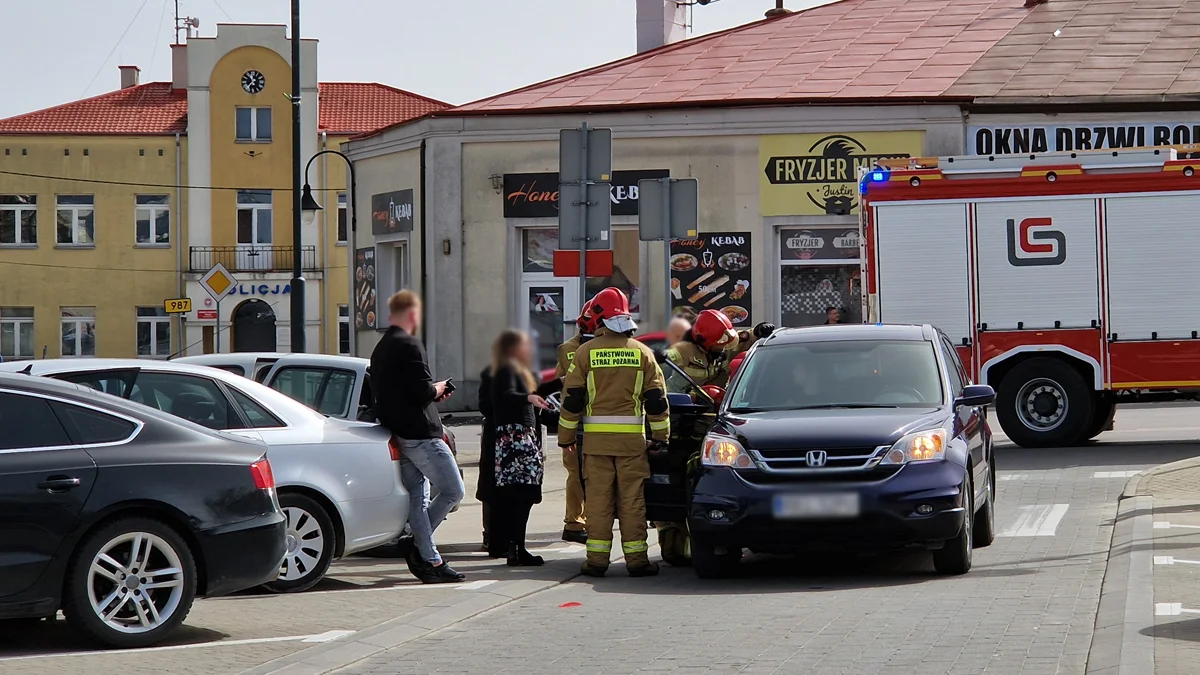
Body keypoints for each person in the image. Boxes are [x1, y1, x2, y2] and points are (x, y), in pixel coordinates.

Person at [559, 287, 670, 578]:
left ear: (598, 318)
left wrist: (566, 438)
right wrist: (661, 437)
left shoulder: (585, 353)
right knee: (632, 501)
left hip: (595, 446)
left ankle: (596, 561)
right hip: (632, 445)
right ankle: (637, 561)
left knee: (597, 501)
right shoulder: (642, 353)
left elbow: (571, 400)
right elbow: (657, 401)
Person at [370, 290, 466, 584]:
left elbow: (399, 392)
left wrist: (426, 394)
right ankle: (416, 544)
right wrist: (438, 389)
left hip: (399, 433)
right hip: (422, 434)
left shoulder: (381, 348)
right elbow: (421, 390)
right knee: (453, 491)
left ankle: (429, 558)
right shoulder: (410, 345)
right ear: (412, 315)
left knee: (419, 498)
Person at [490, 329, 552, 566]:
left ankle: (517, 547)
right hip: (513, 438)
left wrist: (560, 382)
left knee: (523, 495)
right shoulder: (506, 369)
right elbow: (508, 395)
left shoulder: (518, 369)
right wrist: (527, 398)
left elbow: (534, 392)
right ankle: (516, 548)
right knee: (521, 494)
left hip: (521, 436)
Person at [546, 300, 595, 545]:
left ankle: (582, 520)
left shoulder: (569, 349)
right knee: (578, 474)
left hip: (586, 422)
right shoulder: (573, 350)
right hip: (581, 422)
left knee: (583, 475)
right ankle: (575, 523)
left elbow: (559, 381)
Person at [666, 309, 774, 389]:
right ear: (707, 343)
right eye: (721, 344)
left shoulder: (723, 342)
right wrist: (659, 355)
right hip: (687, 409)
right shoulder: (685, 350)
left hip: (718, 407)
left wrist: (758, 331)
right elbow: (668, 357)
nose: (725, 348)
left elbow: (745, 339)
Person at [476, 365, 501, 556]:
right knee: (493, 489)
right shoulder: (492, 372)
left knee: (500, 489)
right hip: (498, 438)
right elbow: (485, 406)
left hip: (507, 438)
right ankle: (492, 537)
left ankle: (497, 538)